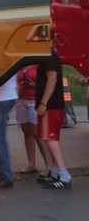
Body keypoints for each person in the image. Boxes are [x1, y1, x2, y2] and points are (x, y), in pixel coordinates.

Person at [36, 49, 72, 189]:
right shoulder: (48, 55)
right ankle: (56, 171)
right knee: (48, 138)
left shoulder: (49, 55)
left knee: (51, 139)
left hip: (51, 106)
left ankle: (64, 175)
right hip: (50, 105)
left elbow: (52, 78)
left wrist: (43, 103)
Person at [15, 66, 51, 174]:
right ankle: (31, 163)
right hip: (21, 100)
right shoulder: (19, 64)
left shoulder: (38, 66)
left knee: (37, 133)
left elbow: (46, 85)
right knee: (27, 133)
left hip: (33, 100)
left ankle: (48, 165)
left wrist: (33, 85)